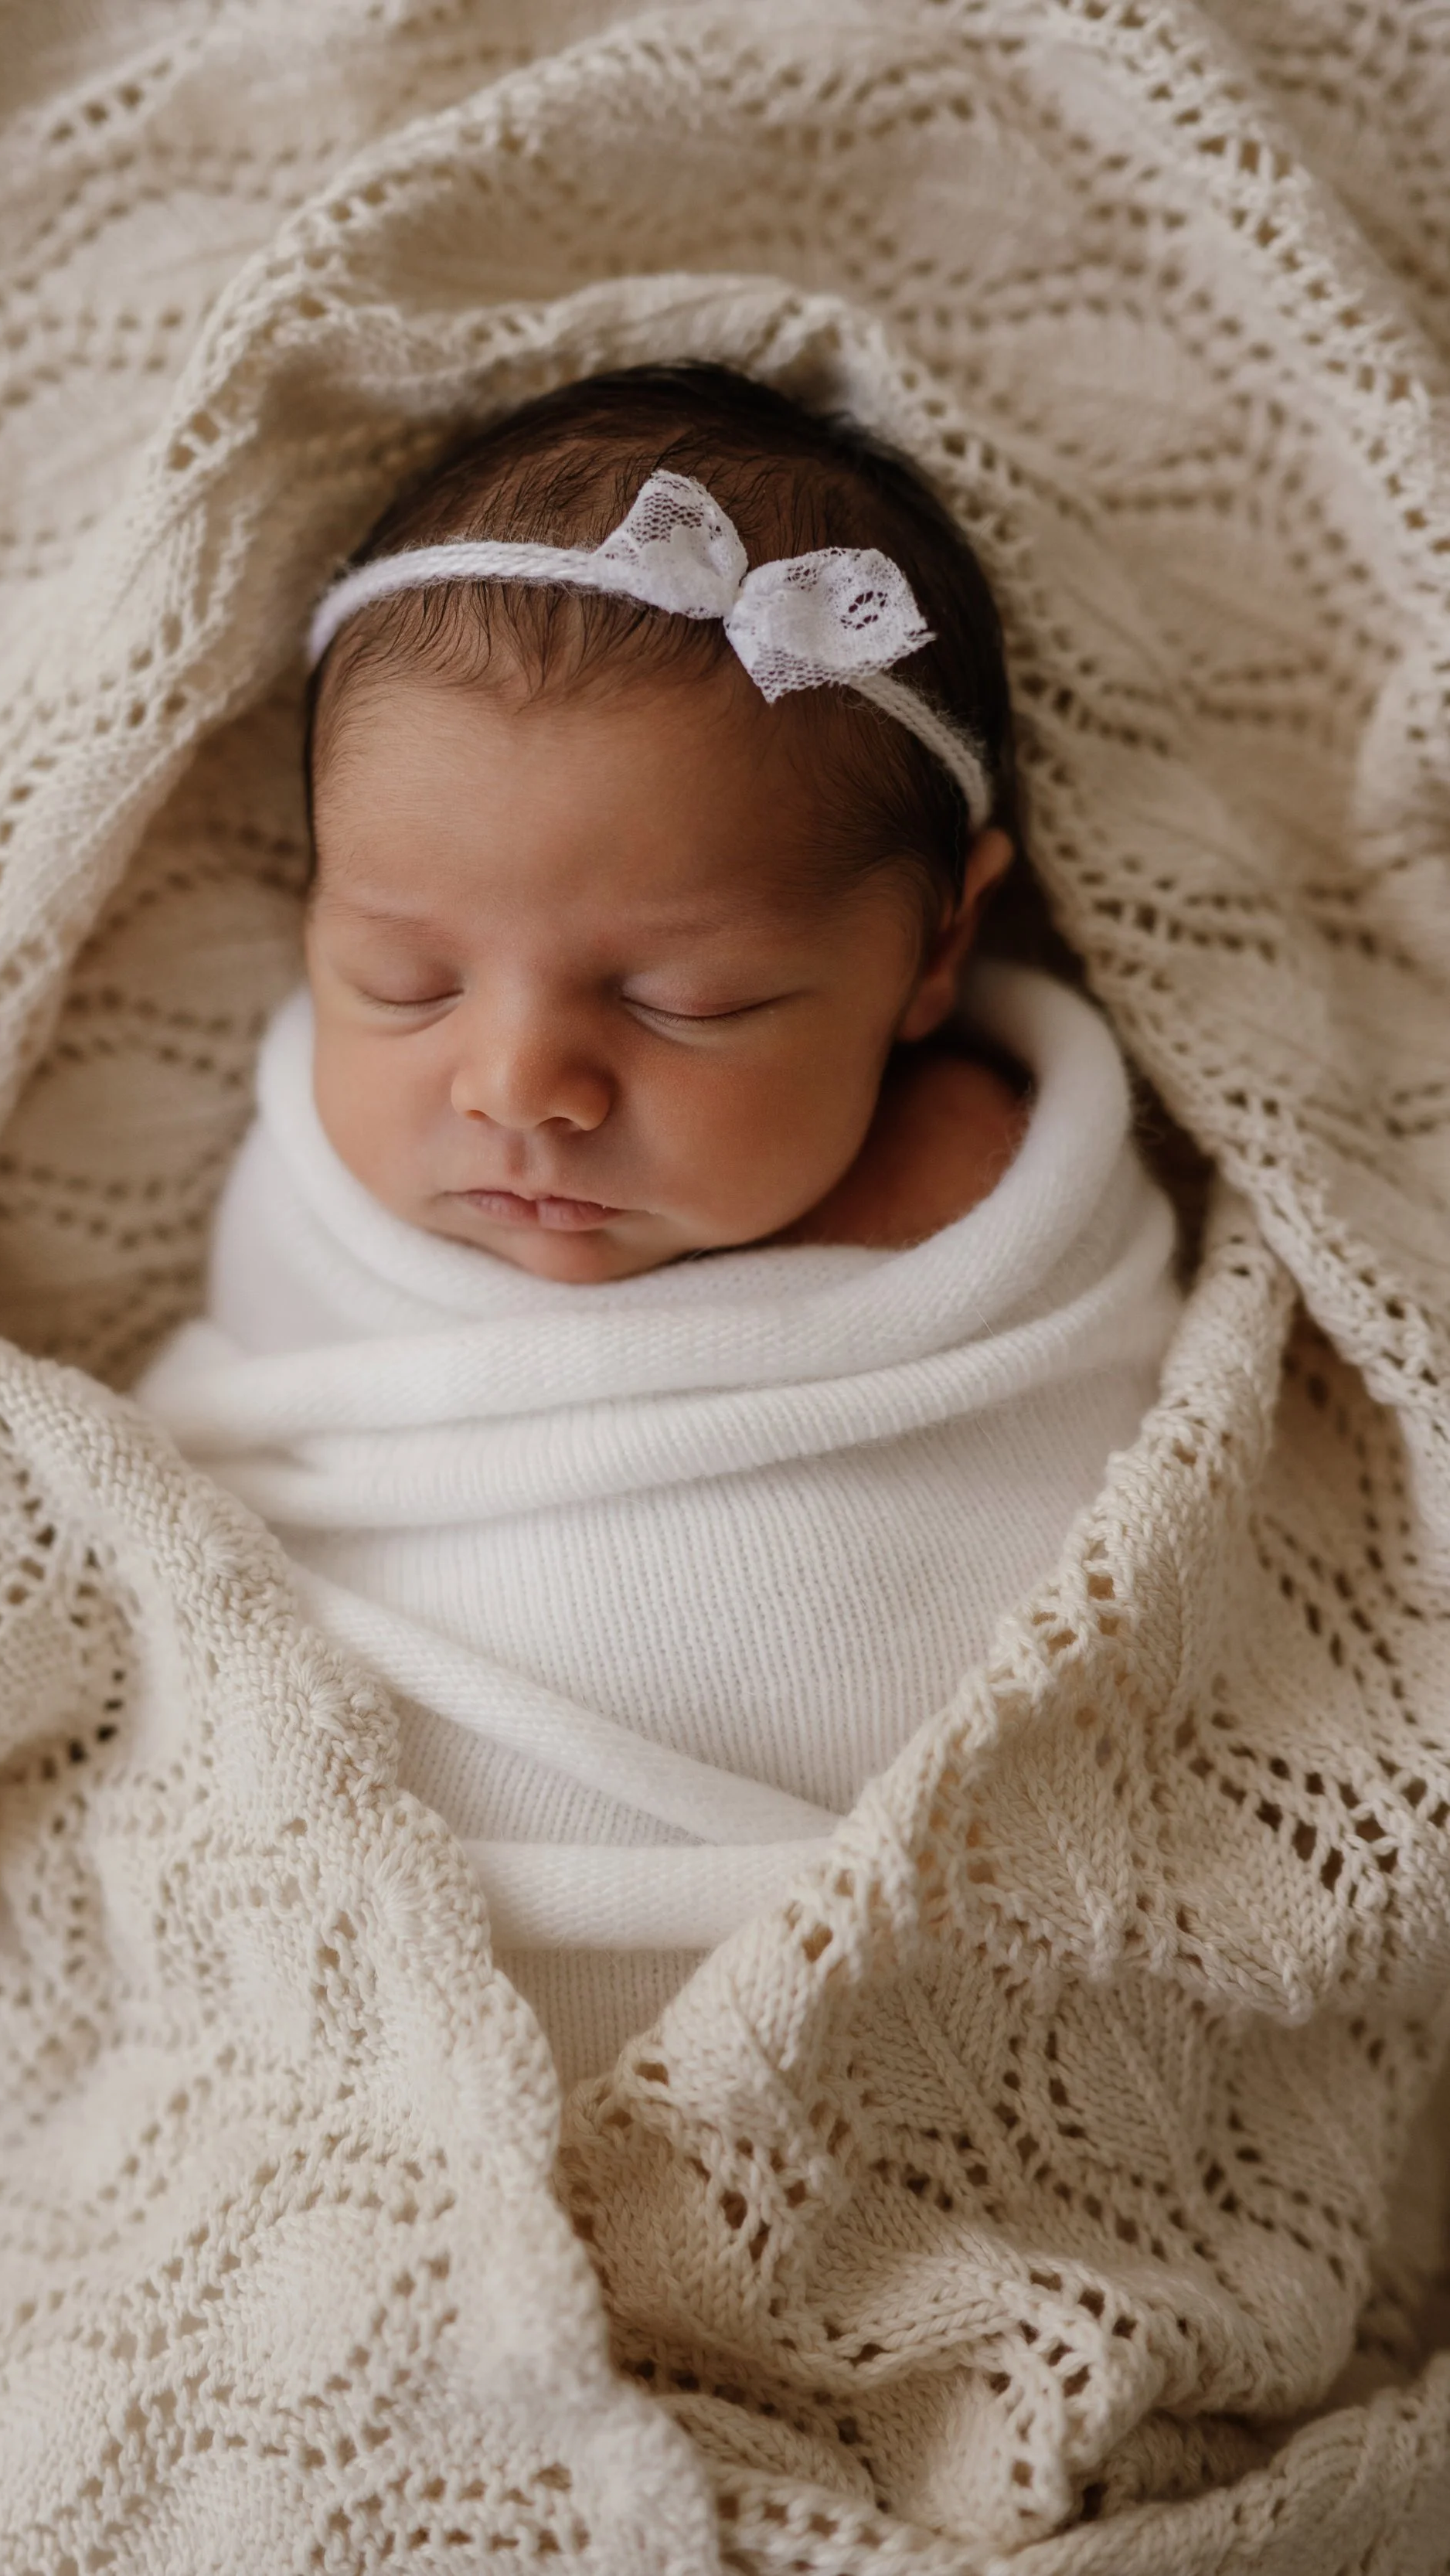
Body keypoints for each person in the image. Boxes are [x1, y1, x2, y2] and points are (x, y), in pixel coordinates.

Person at [141, 365, 1182, 2081]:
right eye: (399, 979)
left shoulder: (997, 1216)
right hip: (348, 1983)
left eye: (686, 1001)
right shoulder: (316, 1185)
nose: (520, 1083)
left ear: (933, 951)